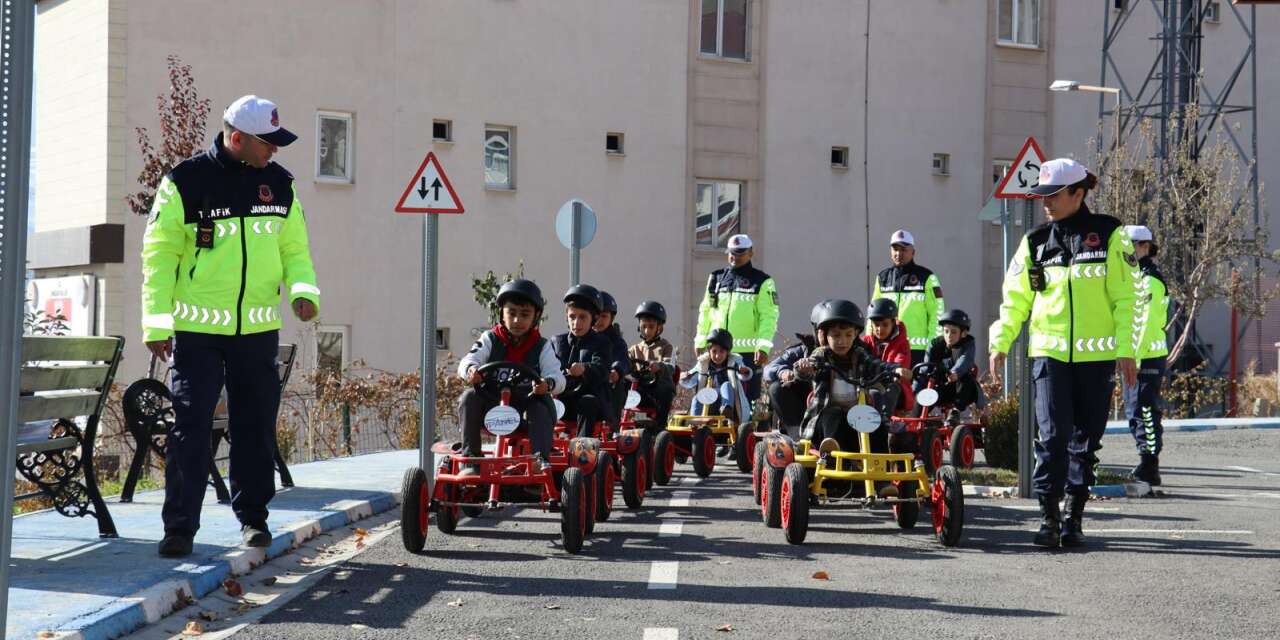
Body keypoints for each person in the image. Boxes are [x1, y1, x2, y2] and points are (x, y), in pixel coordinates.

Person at [142, 95, 320, 558]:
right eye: (268, 143)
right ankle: (179, 528)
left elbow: (294, 250)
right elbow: (159, 256)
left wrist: (304, 292)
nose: (274, 152)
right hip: (197, 332)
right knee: (190, 428)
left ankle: (253, 521)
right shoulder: (185, 181)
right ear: (236, 137)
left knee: (255, 426)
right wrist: (157, 322)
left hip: (257, 331)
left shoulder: (281, 185)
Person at [988, 158, 1140, 549]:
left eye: (1053, 196)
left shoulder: (1111, 234)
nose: (1046, 203)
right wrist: (1001, 342)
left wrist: (1127, 349)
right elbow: (1015, 298)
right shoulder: (1035, 242)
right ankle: (1048, 518)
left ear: (1078, 193)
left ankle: (1074, 516)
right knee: (1052, 437)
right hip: (1048, 356)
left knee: (1085, 440)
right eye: (1041, 197)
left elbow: (1127, 298)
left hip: (1097, 358)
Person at [456, 279, 565, 474]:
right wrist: (471, 370)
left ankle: (538, 464)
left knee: (540, 406)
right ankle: (471, 462)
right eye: (511, 313)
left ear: (536, 316)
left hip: (525, 410)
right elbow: (468, 360)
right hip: (492, 407)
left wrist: (547, 384)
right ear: (502, 314)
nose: (517, 320)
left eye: (524, 315)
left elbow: (558, 377)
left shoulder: (542, 346)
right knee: (468, 397)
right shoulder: (490, 338)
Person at [795, 300, 909, 459]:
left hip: (855, 418)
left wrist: (894, 369)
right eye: (836, 335)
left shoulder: (859, 354)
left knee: (877, 423)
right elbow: (807, 368)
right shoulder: (822, 355)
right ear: (826, 335)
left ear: (855, 335)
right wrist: (804, 368)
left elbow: (877, 364)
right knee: (835, 415)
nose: (842, 341)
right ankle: (832, 455)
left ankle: (881, 477)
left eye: (848, 335)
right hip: (823, 423)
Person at [695, 233, 780, 408]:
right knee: (710, 401)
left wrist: (763, 347)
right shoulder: (716, 278)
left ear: (751, 253)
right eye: (732, 252)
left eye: (740, 253)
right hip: (716, 352)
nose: (735, 257)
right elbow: (705, 311)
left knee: (744, 405)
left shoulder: (762, 281)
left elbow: (768, 317)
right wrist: (700, 339)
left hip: (747, 354)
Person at [1122, 225, 1169, 486]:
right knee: (1135, 409)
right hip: (1136, 355)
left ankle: (1150, 464)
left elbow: (1146, 323)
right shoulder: (1136, 276)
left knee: (1144, 410)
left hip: (1146, 355)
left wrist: (1136, 359)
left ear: (1145, 247)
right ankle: (1147, 461)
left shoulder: (1149, 279)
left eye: (1131, 245)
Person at [872, 229, 945, 365]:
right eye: (895, 249)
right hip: (888, 347)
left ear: (913, 252)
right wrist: (870, 344)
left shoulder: (927, 277)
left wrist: (933, 348)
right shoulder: (882, 278)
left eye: (904, 249)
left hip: (918, 351)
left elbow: (937, 314)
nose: (899, 253)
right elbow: (873, 314)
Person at [553, 285, 613, 439]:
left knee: (588, 402)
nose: (576, 323)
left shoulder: (602, 342)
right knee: (537, 402)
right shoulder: (557, 341)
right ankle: (539, 451)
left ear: (593, 318)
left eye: (582, 317)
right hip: (562, 398)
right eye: (572, 317)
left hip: (591, 400)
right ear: (566, 317)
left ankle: (581, 451)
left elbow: (602, 369)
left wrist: (585, 369)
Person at [763, 301, 826, 438]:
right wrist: (783, 371)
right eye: (823, 331)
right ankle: (797, 436)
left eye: (841, 333)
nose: (838, 339)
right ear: (816, 331)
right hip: (808, 402)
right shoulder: (801, 350)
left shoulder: (856, 352)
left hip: (838, 403)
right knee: (776, 388)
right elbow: (768, 369)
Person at [919, 309, 985, 422]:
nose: (949, 336)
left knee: (966, 379)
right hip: (941, 387)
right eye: (946, 331)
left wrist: (955, 372)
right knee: (924, 391)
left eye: (954, 332)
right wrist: (922, 379)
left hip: (961, 391)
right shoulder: (936, 345)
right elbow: (926, 366)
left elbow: (965, 360)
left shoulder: (967, 344)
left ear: (963, 333)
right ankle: (916, 419)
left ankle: (955, 412)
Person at [627, 300, 677, 435]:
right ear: (639, 327)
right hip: (641, 391)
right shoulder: (634, 349)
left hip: (658, 391)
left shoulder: (666, 346)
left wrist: (659, 366)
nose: (647, 330)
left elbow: (671, 367)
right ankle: (617, 425)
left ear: (659, 328)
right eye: (644, 326)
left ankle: (660, 427)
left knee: (665, 389)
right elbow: (625, 365)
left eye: (651, 326)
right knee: (621, 384)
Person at [683, 328, 753, 420]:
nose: (717, 356)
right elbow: (691, 380)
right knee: (697, 397)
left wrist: (744, 371)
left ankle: (726, 412)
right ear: (709, 351)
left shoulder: (734, 361)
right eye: (714, 351)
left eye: (721, 352)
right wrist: (685, 377)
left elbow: (745, 374)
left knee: (726, 385)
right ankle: (695, 421)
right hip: (709, 399)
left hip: (727, 399)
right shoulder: (703, 363)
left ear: (727, 352)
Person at [862, 298, 915, 416]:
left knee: (891, 389)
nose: (880, 329)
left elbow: (901, 363)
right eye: (876, 325)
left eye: (885, 325)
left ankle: (885, 421)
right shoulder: (865, 342)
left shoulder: (902, 343)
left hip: (894, 385)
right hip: (870, 384)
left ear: (893, 323)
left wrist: (898, 370)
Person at [594, 290, 631, 432]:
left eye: (604, 316)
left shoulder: (616, 341)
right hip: (584, 384)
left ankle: (612, 428)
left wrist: (617, 370)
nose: (599, 320)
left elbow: (624, 360)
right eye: (596, 316)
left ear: (611, 318)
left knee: (618, 385)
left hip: (608, 384)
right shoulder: (583, 337)